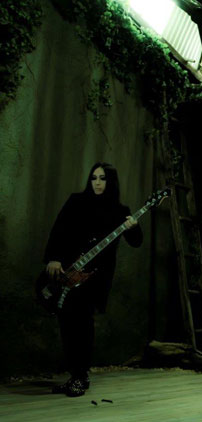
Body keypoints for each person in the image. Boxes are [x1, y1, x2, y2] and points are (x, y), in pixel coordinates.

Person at [44, 162, 143, 397]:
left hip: (96, 276)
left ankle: (80, 376)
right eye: (94, 178)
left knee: (83, 322)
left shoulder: (120, 211)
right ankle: (76, 375)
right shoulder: (76, 201)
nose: (97, 183)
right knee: (67, 321)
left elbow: (136, 242)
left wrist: (134, 227)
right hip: (69, 270)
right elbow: (59, 230)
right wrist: (54, 258)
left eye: (103, 178)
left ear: (111, 182)